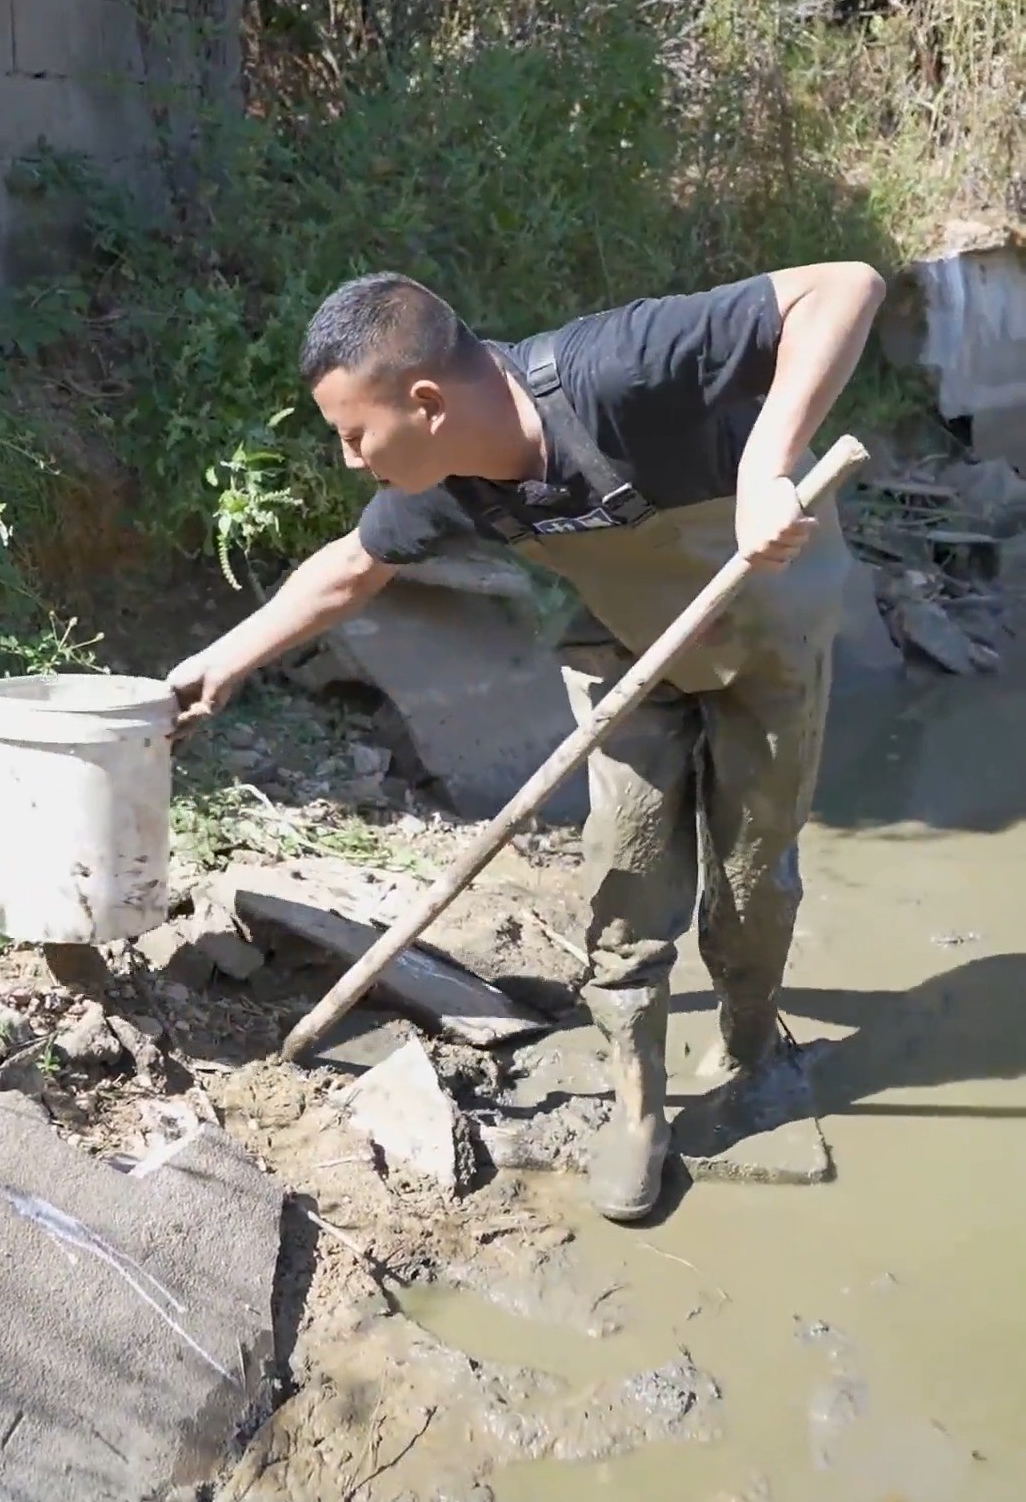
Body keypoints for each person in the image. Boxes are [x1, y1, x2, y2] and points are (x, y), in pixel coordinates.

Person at [169, 263, 885, 1222]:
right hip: (629, 647)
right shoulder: (448, 482)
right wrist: (223, 660)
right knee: (625, 878)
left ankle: (750, 1033)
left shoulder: (615, 371)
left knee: (754, 878)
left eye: (352, 434)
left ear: (424, 403)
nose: (348, 460)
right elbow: (351, 566)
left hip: (769, 636)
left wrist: (765, 470)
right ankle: (639, 1105)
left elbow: (843, 287)